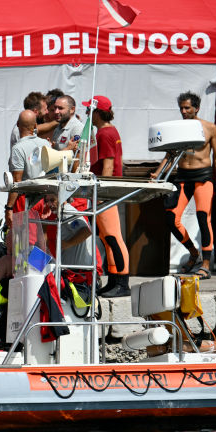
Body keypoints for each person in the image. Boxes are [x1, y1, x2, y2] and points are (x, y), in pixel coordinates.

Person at [150, 92, 216, 279]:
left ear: (196, 108)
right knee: (171, 218)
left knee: (202, 218)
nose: (183, 111)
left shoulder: (209, 128)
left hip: (203, 176)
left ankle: (205, 264)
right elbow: (170, 154)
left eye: (187, 108)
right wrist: (157, 174)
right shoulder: (178, 128)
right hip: (183, 176)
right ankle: (193, 253)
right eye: (181, 108)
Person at [85, 96, 130, 297]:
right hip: (107, 192)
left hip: (106, 193)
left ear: (97, 113)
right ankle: (114, 280)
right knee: (106, 238)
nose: (88, 114)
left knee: (113, 237)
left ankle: (122, 282)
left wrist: (101, 194)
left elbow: (108, 166)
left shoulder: (105, 133)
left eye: (89, 111)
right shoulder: (108, 131)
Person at [4, 109, 50, 230]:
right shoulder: (46, 143)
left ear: (18, 124)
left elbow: (16, 181)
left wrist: (9, 208)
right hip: (44, 199)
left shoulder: (18, 148)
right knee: (41, 241)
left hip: (24, 200)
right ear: (35, 126)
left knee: (22, 242)